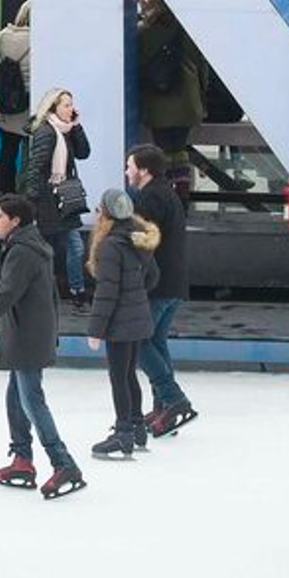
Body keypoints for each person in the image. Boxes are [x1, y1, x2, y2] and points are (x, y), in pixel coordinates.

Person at [0, 193, 82, 500]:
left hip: (28, 335)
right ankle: (22, 458)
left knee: (31, 399)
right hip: (26, 333)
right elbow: (22, 286)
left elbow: (8, 296)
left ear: (15, 221)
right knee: (15, 397)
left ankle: (63, 463)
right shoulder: (29, 246)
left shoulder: (22, 250)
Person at [121, 144, 200, 436]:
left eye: (130, 165)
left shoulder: (151, 197)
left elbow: (142, 241)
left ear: (143, 169)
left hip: (157, 283)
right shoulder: (167, 193)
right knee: (156, 341)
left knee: (140, 341)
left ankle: (173, 399)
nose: (127, 171)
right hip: (173, 282)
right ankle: (164, 406)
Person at [83, 189, 158, 460]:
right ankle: (137, 426)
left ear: (106, 213)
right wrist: (136, 296)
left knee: (119, 376)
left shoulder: (110, 245)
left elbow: (107, 292)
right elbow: (153, 277)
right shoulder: (138, 239)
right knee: (129, 374)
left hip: (120, 322)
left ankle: (124, 431)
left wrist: (95, 330)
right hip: (137, 317)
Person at [22, 86, 91, 301]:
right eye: (66, 105)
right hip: (47, 199)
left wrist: (77, 127)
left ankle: (76, 289)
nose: (71, 109)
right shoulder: (46, 131)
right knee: (49, 247)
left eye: (72, 104)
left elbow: (84, 153)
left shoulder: (67, 131)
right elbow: (36, 166)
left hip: (65, 199)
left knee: (75, 246)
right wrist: (32, 201)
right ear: (54, 107)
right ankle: (45, 289)